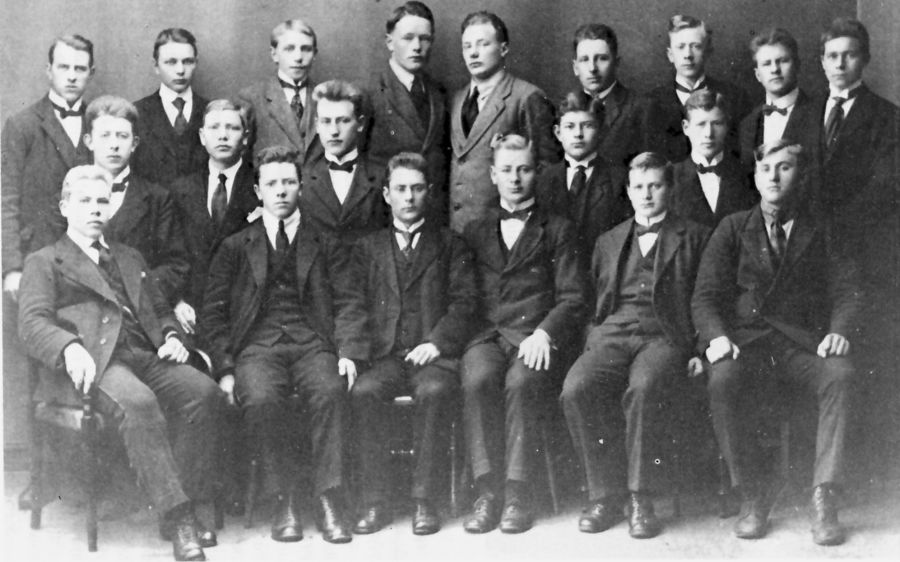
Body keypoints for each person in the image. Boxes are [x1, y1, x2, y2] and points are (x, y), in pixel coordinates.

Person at [17, 165, 227, 562]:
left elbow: (160, 310)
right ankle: (180, 519)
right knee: (139, 404)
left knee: (204, 393)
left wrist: (171, 337)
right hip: (95, 362)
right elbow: (31, 324)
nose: (95, 209)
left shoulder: (129, 257)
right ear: (65, 207)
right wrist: (68, 347)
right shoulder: (44, 261)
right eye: (85, 201)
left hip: (144, 354)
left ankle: (186, 499)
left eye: (102, 201)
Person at [692, 139, 863, 545]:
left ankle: (823, 495)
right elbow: (705, 296)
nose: (773, 176)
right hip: (747, 344)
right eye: (766, 168)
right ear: (755, 176)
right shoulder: (733, 228)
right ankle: (751, 493)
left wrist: (839, 330)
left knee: (839, 375)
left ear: (800, 176)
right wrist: (717, 337)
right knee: (722, 379)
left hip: (801, 345)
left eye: (785, 168)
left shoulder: (822, 227)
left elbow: (849, 290)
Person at [200, 146, 354, 544]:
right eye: (272, 184)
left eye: (288, 182)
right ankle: (283, 499)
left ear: (301, 186)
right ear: (258, 190)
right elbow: (213, 315)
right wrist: (225, 369)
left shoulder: (325, 241)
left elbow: (349, 301)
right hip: (257, 346)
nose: (281, 191)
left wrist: (349, 352)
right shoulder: (235, 246)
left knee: (329, 391)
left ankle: (328, 498)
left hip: (312, 341)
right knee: (262, 399)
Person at [561, 152, 711, 539]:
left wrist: (699, 350)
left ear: (669, 189)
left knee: (644, 387)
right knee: (576, 387)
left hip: (664, 334)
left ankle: (641, 497)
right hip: (612, 332)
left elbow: (705, 299)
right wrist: (594, 338)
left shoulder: (695, 236)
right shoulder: (608, 240)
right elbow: (595, 302)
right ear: (628, 191)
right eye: (639, 187)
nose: (646, 194)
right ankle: (604, 495)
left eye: (655, 186)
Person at [342, 152, 477, 536]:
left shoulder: (451, 244)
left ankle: (425, 501)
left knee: (434, 392)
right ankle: (375, 501)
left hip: (433, 357)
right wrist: (352, 353)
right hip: (386, 356)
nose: (409, 197)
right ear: (386, 195)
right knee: (364, 392)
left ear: (429, 193)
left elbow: (466, 302)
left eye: (417, 189)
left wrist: (437, 342)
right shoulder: (367, 248)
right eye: (400, 189)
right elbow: (352, 304)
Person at [459, 134, 588, 534]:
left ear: (537, 173)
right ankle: (487, 493)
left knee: (522, 382)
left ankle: (518, 493)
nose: (515, 179)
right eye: (507, 170)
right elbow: (463, 296)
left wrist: (546, 333)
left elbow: (573, 296)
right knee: (478, 379)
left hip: (535, 335)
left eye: (524, 169)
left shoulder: (558, 229)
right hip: (488, 335)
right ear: (493, 175)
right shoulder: (475, 230)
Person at [3, 34, 94, 302]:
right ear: (49, 70)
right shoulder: (21, 125)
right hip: (35, 257)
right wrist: (11, 268)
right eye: (64, 67)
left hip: (87, 262)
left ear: (91, 73)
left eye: (80, 68)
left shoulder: (99, 124)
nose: (72, 76)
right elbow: (5, 199)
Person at [448, 10, 558, 232]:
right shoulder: (457, 99)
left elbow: (547, 171)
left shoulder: (526, 97)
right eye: (467, 46)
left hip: (503, 231)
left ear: (504, 48)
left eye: (483, 44)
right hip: (457, 230)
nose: (473, 53)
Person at [83, 95, 190, 304]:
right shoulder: (69, 193)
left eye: (122, 136)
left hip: (140, 307)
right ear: (89, 141)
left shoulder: (158, 199)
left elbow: (176, 266)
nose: (114, 145)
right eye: (105, 135)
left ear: (134, 143)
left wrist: (137, 287)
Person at [170, 99, 259, 335]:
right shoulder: (181, 189)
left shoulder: (261, 187)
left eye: (232, 128)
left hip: (245, 311)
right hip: (192, 310)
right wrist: (177, 301)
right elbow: (170, 254)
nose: (223, 135)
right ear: (202, 136)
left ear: (245, 137)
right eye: (214, 128)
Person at [364, 1, 449, 223]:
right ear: (389, 42)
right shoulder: (370, 92)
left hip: (432, 215)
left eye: (425, 38)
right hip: (384, 216)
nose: (417, 46)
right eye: (408, 38)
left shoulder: (439, 92)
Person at [536, 91, 630, 257]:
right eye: (570, 126)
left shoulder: (619, 179)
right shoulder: (543, 179)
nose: (578, 134)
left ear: (601, 131)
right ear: (558, 133)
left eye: (587, 125)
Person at [649, 14, 752, 161]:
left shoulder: (735, 97)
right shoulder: (651, 103)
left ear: (708, 52)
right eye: (680, 47)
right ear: (670, 55)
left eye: (696, 46)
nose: (688, 55)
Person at [300, 80, 388, 243]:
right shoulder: (302, 178)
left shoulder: (382, 175)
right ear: (317, 125)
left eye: (343, 121)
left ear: (360, 123)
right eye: (326, 121)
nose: (334, 131)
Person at [570, 23, 663, 168]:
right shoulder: (565, 111)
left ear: (616, 63)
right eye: (584, 59)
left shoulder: (642, 108)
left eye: (602, 58)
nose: (592, 68)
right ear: (575, 67)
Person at [132, 28, 208, 186]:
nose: (180, 70)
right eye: (171, 62)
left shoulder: (211, 112)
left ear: (196, 63)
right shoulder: (136, 113)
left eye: (187, 61)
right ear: (156, 66)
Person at [238, 19, 321, 165]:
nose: (298, 57)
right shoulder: (251, 98)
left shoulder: (326, 97)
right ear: (274, 54)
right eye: (289, 49)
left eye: (306, 49)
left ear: (314, 54)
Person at [670, 90, 757, 228]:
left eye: (717, 123)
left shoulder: (747, 175)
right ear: (686, 128)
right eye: (701, 124)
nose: (708, 134)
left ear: (727, 125)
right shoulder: (670, 176)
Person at [738, 28, 820, 170]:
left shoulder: (819, 114)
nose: (774, 69)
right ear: (758, 75)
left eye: (782, 61)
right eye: (766, 64)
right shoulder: (748, 124)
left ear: (797, 66)